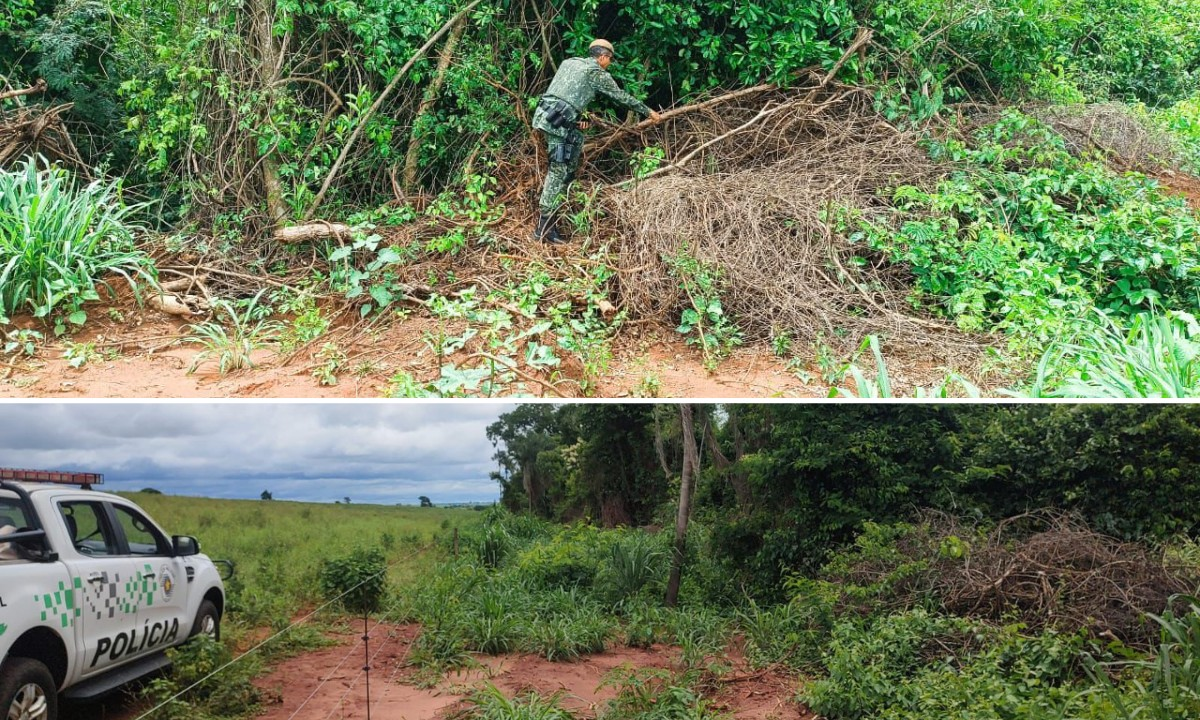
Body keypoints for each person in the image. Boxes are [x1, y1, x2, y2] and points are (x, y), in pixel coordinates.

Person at [532, 38, 662, 243]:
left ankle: (563, 200)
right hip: (556, 123)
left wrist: (577, 121)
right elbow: (620, 97)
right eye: (609, 59)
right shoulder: (596, 73)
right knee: (558, 169)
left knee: (571, 157)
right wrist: (648, 112)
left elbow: (566, 94)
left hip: (548, 116)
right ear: (602, 57)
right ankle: (544, 228)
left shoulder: (570, 62)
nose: (609, 63)